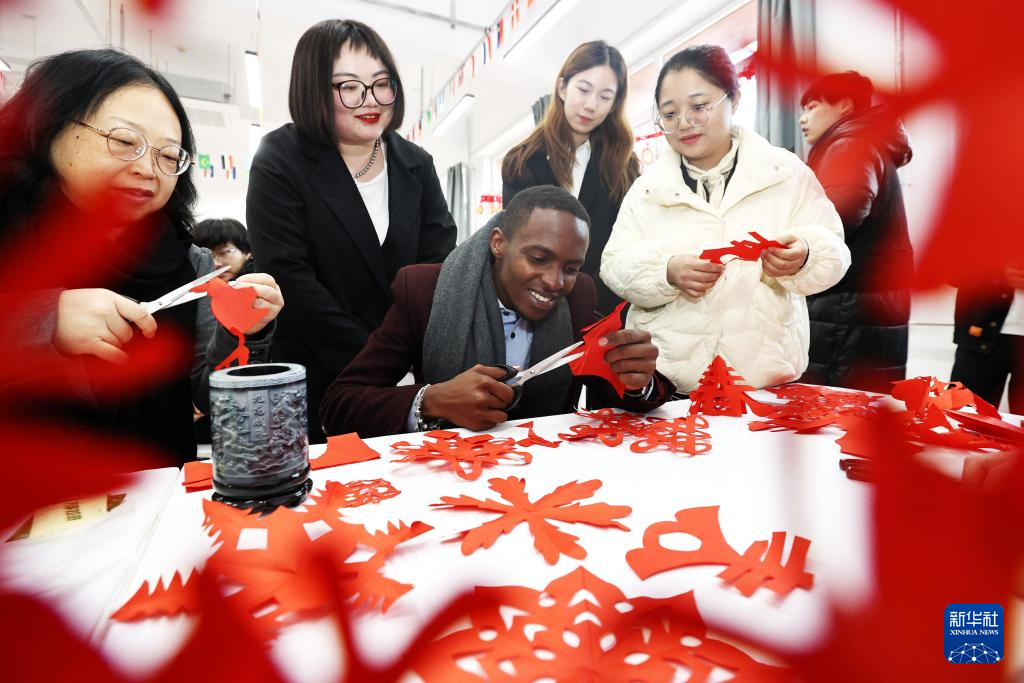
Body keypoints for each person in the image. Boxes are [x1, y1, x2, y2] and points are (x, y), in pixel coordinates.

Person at [0, 48, 283, 464]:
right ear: (48, 127)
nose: (148, 170)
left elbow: (209, 397)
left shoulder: (190, 265)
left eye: (168, 156)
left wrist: (245, 332)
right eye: (124, 142)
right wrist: (44, 320)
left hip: (156, 489)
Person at [320, 186, 675, 438]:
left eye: (570, 268)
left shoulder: (578, 296)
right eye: (538, 258)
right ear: (498, 243)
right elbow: (339, 405)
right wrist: (433, 400)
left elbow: (624, 396)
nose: (555, 282)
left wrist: (636, 380)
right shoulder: (424, 291)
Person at [248, 19, 456, 443]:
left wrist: (408, 362)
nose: (370, 100)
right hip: (316, 371)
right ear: (313, 88)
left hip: (406, 378)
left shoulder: (416, 164)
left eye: (381, 84)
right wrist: (379, 363)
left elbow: (437, 266)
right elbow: (291, 279)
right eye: (349, 86)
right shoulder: (280, 158)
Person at [601, 45, 850, 393]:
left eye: (699, 107)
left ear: (734, 99)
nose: (684, 123)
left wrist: (806, 254)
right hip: (672, 386)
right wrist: (667, 270)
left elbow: (835, 250)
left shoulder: (785, 174)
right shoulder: (647, 189)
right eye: (669, 114)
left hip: (764, 382)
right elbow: (614, 264)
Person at [796, 71, 914, 392]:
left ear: (845, 105)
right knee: (861, 406)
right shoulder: (866, 143)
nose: (803, 118)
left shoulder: (849, 144)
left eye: (812, 107)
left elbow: (835, 221)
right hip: (865, 306)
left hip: (845, 307)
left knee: (832, 404)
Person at [502, 40, 640, 315]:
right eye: (584, 90)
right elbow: (514, 246)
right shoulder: (521, 162)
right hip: (534, 306)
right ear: (562, 87)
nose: (591, 105)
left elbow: (627, 246)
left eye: (605, 97)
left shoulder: (624, 167)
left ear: (614, 104)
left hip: (601, 310)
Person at [949, 261, 1024, 414]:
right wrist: (996, 274)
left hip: (978, 334)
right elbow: (948, 271)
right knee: (964, 417)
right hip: (978, 335)